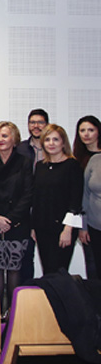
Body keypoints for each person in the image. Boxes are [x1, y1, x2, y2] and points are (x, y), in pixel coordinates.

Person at [0, 122, 33, 315]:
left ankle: (12, 312)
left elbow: (28, 194)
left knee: (13, 269)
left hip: (16, 223)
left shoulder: (24, 162)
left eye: (5, 136)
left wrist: (9, 219)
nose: (1, 140)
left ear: (14, 139)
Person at [31, 124, 83, 275]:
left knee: (59, 272)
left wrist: (68, 229)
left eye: (56, 139)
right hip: (42, 228)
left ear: (63, 142)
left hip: (63, 229)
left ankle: (62, 300)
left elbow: (76, 201)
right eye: (47, 140)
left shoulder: (72, 165)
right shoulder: (41, 166)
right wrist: (34, 227)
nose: (51, 143)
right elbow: (37, 199)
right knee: (48, 271)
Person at [15, 108, 49, 284]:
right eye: (32, 122)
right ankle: (25, 299)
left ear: (47, 124)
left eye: (40, 122)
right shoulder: (20, 149)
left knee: (50, 259)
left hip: (47, 209)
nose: (36, 126)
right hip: (25, 211)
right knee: (25, 257)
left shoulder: (54, 148)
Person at [74, 115, 101, 280]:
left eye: (90, 130)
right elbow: (81, 195)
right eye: (82, 130)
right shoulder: (76, 158)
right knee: (93, 268)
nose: (86, 134)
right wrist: (82, 226)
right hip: (90, 223)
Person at [83, 154, 101, 279]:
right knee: (97, 271)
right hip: (94, 226)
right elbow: (85, 194)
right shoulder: (95, 160)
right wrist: (83, 226)